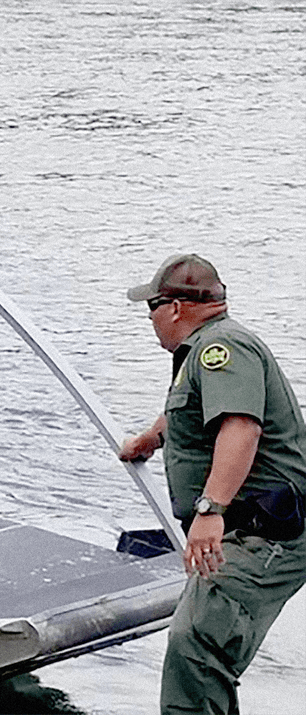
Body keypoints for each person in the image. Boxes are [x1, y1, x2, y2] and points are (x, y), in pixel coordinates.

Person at [117, 254, 306, 715]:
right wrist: (154, 436)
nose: (151, 320)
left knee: (197, 649)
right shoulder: (206, 349)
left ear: (176, 307)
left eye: (152, 308)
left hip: (262, 531)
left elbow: (241, 425)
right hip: (249, 529)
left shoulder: (220, 348)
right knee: (201, 650)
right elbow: (201, 408)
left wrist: (210, 511)